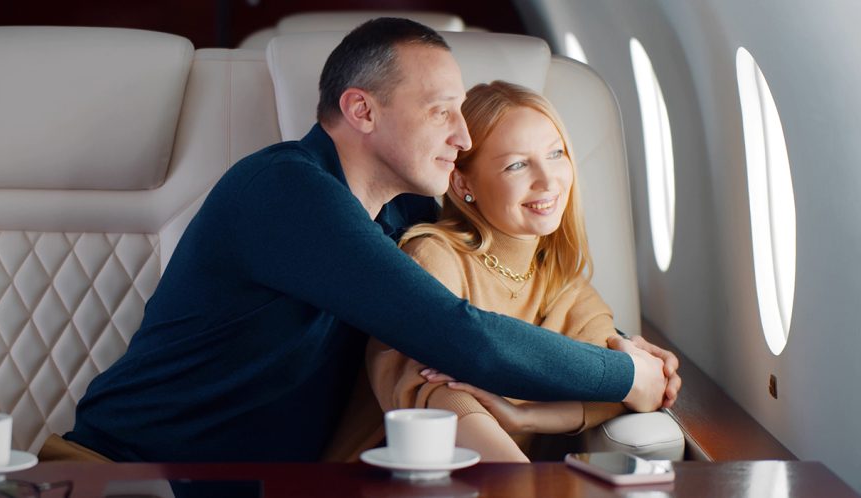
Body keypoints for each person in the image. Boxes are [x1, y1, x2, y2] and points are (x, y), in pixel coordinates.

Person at [44, 17, 678, 463]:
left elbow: (507, 271)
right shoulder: (283, 191)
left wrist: (619, 342)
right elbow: (463, 337)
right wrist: (624, 374)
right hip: (122, 473)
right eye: (442, 111)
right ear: (363, 111)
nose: (463, 138)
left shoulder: (398, 217)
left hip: (240, 487)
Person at [366, 81, 635, 462]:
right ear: (462, 183)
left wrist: (527, 417)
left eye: (556, 153)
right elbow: (430, 391)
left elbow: (624, 388)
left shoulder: (563, 281)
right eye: (517, 164)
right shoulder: (433, 256)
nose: (547, 180)